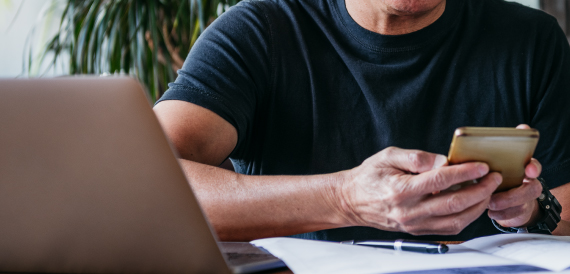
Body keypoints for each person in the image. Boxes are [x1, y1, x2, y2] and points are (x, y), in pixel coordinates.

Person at [153, 0, 570, 241]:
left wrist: (531, 211)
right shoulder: (260, 31)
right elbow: (145, 184)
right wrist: (344, 198)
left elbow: (564, 210)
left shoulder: (532, 40)